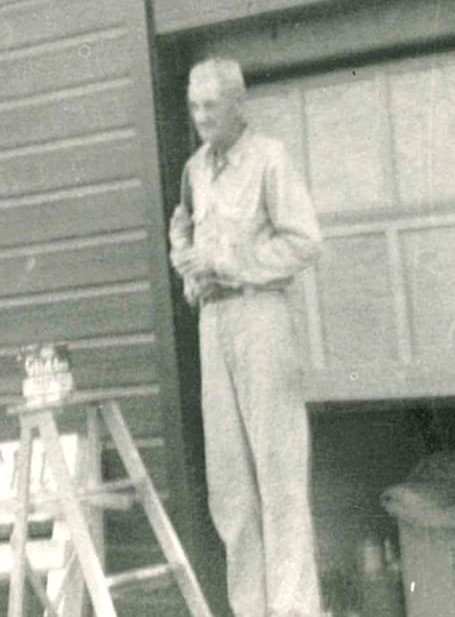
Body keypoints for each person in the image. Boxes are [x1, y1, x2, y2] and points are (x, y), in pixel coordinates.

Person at [169, 58, 322, 617]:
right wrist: (186, 260)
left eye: (211, 105)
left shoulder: (269, 159)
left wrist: (237, 264)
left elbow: (304, 241)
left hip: (261, 317)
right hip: (215, 323)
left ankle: (294, 610)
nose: (201, 116)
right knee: (230, 482)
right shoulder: (194, 170)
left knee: (278, 472)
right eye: (194, 106)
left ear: (238, 105)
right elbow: (184, 231)